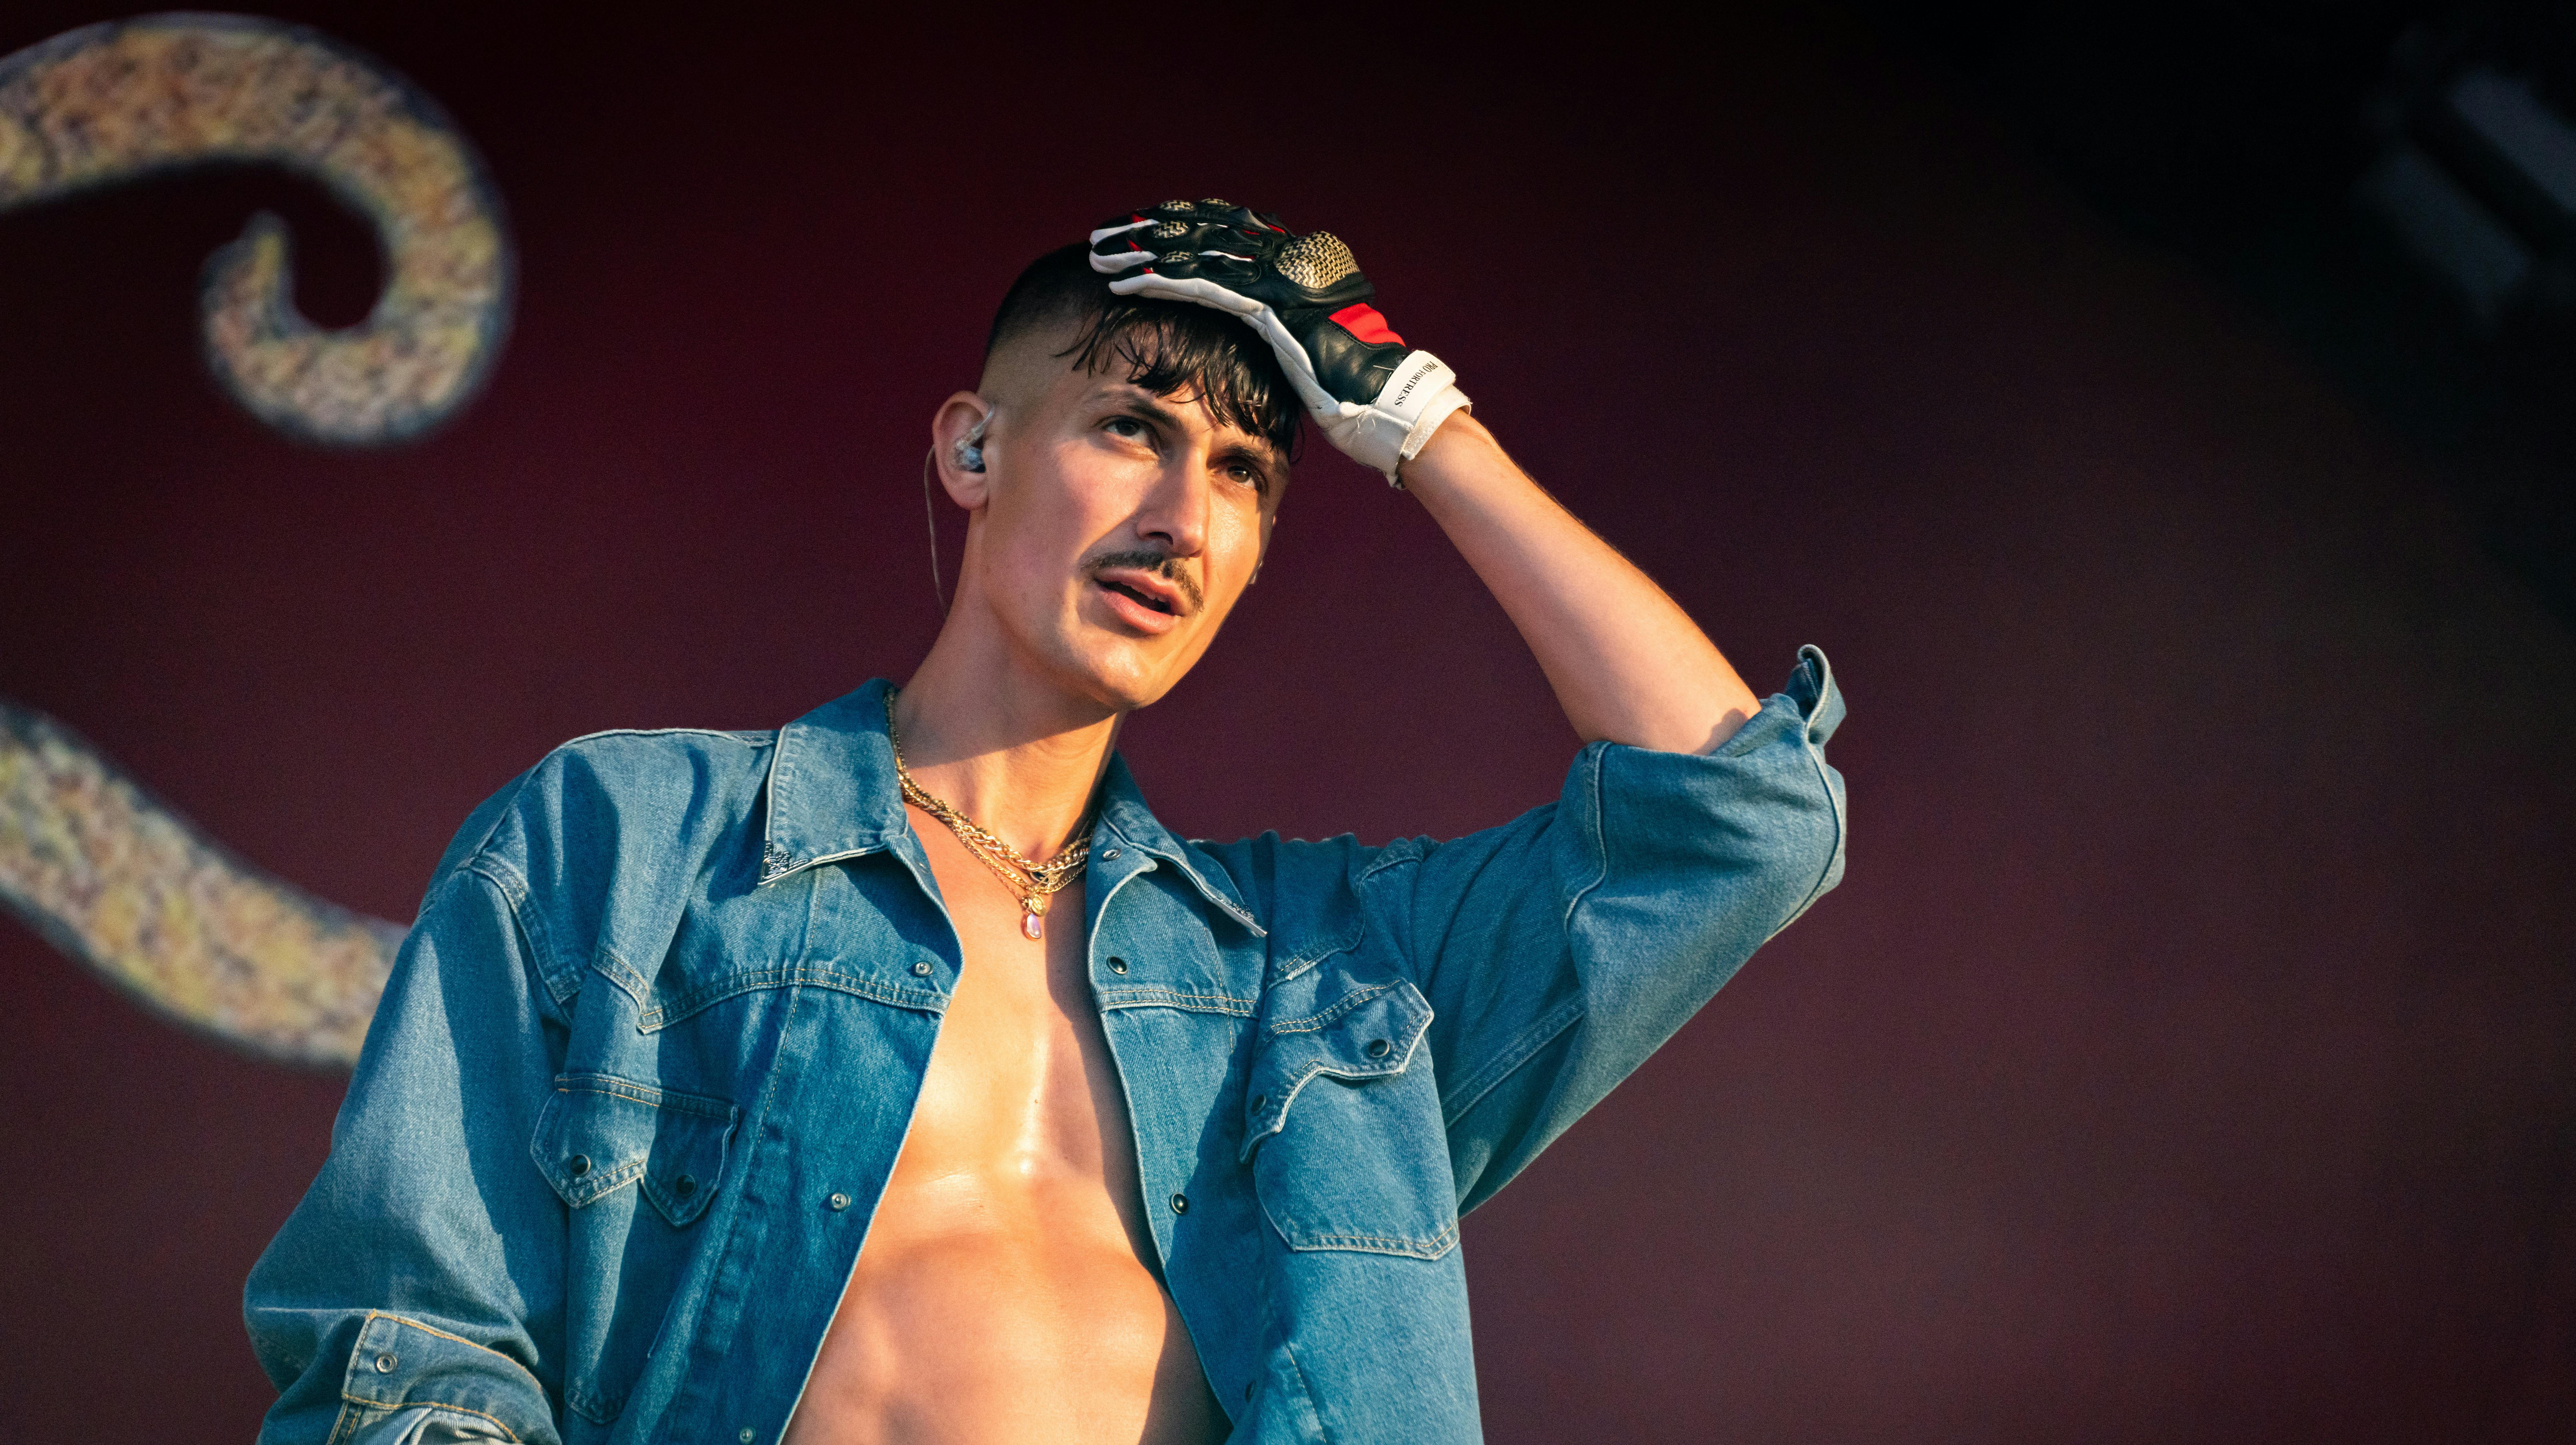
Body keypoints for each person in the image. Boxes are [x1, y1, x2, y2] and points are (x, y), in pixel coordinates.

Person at [244, 199, 1848, 1445]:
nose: (1180, 518)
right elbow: (414, 1348)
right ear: (971, 445)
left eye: (1241, 473)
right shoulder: (631, 841)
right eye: (1131, 428)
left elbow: (1738, 825)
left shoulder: (1324, 977)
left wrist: (1413, 422)